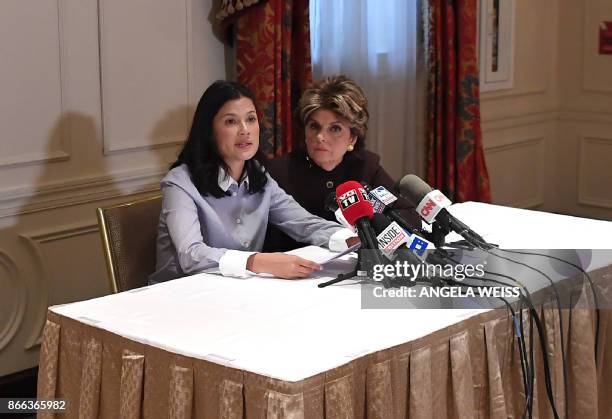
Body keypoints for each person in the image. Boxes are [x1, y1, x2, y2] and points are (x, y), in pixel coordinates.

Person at [149, 81, 356, 284]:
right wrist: (259, 261)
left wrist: (354, 239)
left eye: (251, 119)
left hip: (234, 292)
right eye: (231, 121)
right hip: (177, 297)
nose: (245, 130)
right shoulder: (180, 183)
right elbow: (191, 254)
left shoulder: (260, 177)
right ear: (209, 130)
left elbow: (304, 223)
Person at [264, 75, 420, 251]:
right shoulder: (279, 172)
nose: (320, 137)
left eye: (335, 128)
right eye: (314, 126)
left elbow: (408, 217)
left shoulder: (366, 167)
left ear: (352, 137)